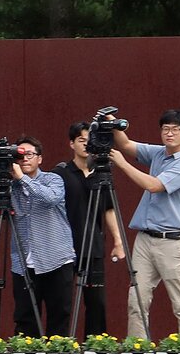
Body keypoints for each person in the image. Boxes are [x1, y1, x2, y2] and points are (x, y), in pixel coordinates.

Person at [111, 109, 180, 341]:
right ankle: (137, 349)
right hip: (145, 238)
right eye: (165, 129)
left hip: (172, 241)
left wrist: (122, 165)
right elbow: (126, 144)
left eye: (175, 129)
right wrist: (112, 124)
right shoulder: (159, 154)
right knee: (137, 299)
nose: (169, 134)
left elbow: (154, 185)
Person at [0, 135, 75, 337]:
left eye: (29, 154)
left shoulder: (52, 179)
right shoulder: (11, 186)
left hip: (56, 259)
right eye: (19, 155)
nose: (25, 159)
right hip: (23, 263)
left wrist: (22, 178)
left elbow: (50, 198)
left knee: (59, 317)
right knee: (25, 320)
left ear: (40, 158)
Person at [52, 122, 127, 338]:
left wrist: (118, 241)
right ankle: (60, 343)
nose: (86, 145)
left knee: (96, 301)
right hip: (64, 246)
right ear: (72, 144)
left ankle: (95, 344)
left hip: (93, 244)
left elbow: (109, 209)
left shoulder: (100, 173)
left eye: (89, 141)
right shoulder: (61, 173)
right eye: (81, 141)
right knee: (63, 301)